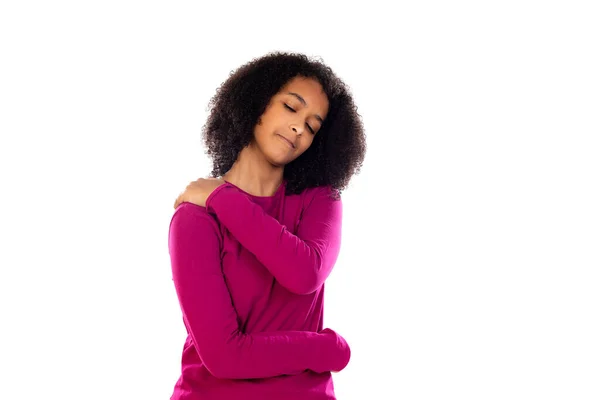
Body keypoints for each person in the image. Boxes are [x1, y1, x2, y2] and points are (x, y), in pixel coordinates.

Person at [168, 51, 366, 400]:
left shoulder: (319, 200)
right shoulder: (195, 218)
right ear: (256, 102)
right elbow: (224, 357)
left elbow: (305, 273)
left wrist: (223, 198)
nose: (298, 128)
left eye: (312, 125)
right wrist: (323, 348)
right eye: (291, 108)